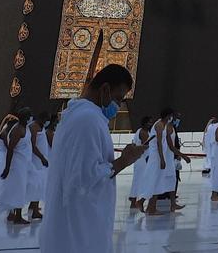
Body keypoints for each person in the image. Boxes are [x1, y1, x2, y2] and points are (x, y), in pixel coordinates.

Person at [38, 64, 145, 252]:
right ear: (105, 89)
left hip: (72, 227)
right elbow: (83, 179)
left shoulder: (76, 114)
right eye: (118, 98)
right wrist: (124, 160)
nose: (117, 106)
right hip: (79, 232)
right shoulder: (88, 119)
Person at [148, 108, 187, 214]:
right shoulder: (161, 126)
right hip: (159, 158)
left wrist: (182, 155)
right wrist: (162, 159)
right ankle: (148, 206)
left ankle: (171, 204)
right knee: (156, 182)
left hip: (166, 158)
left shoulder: (166, 126)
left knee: (169, 181)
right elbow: (159, 143)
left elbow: (170, 145)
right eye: (173, 116)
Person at [127, 116, 153, 212]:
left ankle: (134, 199)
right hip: (142, 160)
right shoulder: (143, 133)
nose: (150, 124)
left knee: (137, 181)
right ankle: (134, 200)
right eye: (149, 122)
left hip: (139, 160)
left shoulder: (139, 131)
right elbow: (146, 146)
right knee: (140, 181)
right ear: (145, 123)